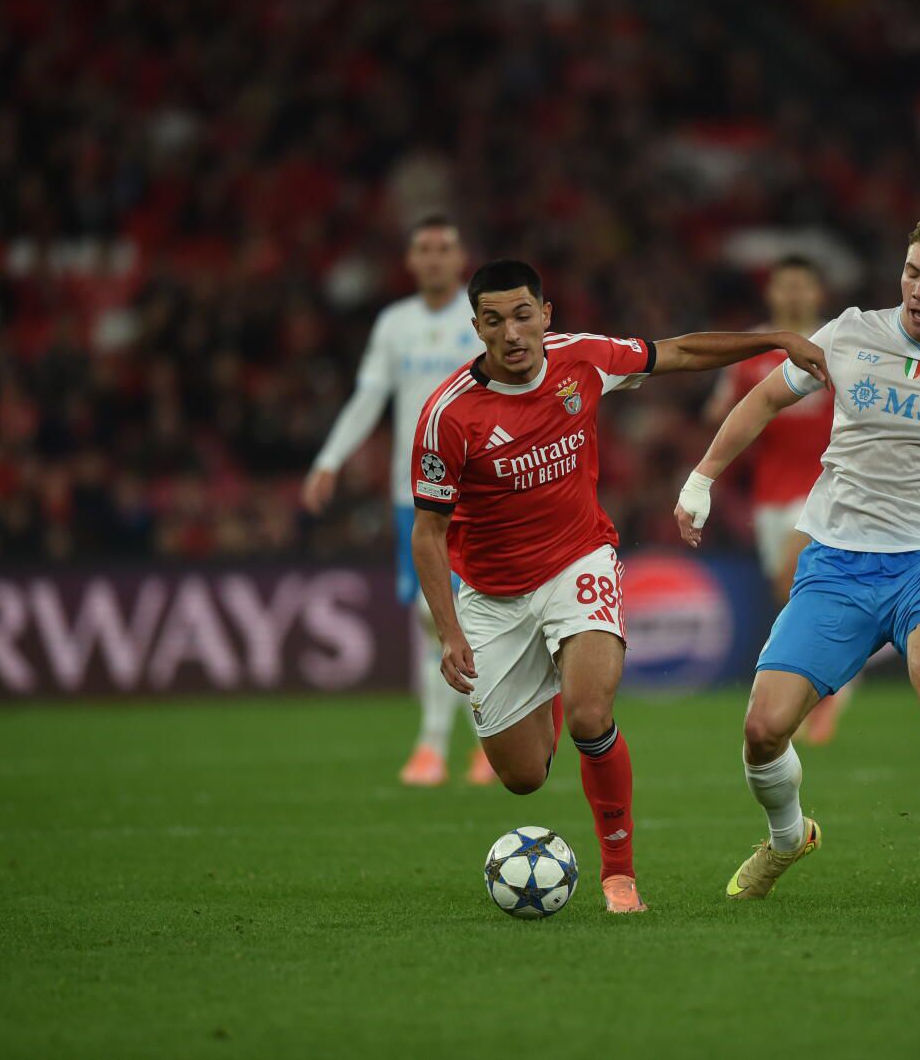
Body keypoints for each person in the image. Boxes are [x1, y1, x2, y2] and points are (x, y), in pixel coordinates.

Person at [675, 215, 920, 904]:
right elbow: (767, 396)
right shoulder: (851, 334)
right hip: (836, 561)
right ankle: (786, 837)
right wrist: (701, 478)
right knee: (764, 729)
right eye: (912, 272)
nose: (919, 289)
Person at [411, 258, 829, 914]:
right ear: (477, 327)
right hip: (493, 597)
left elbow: (683, 350)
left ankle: (619, 876)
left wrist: (773, 338)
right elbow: (428, 534)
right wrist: (451, 630)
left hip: (580, 560)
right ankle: (546, 681)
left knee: (590, 713)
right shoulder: (448, 415)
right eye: (494, 320)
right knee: (522, 777)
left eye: (523, 314)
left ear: (545, 315)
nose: (512, 332)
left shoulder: (584, 358)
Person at [301, 215, 496, 787]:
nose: (434, 258)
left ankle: (471, 744)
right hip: (412, 493)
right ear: (411, 262)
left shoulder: (481, 320)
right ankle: (444, 744)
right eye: (424, 250)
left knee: (474, 620)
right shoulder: (395, 324)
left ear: (460, 259)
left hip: (478, 492)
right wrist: (329, 459)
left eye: (444, 248)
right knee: (427, 617)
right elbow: (369, 396)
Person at [702, 256, 856, 745]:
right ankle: (830, 686)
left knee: (798, 576)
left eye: (801, 286)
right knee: (790, 594)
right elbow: (717, 413)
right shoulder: (753, 350)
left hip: (830, 485)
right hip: (770, 493)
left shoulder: (840, 346)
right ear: (771, 294)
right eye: (783, 286)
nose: (792, 295)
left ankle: (829, 696)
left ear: (817, 294)